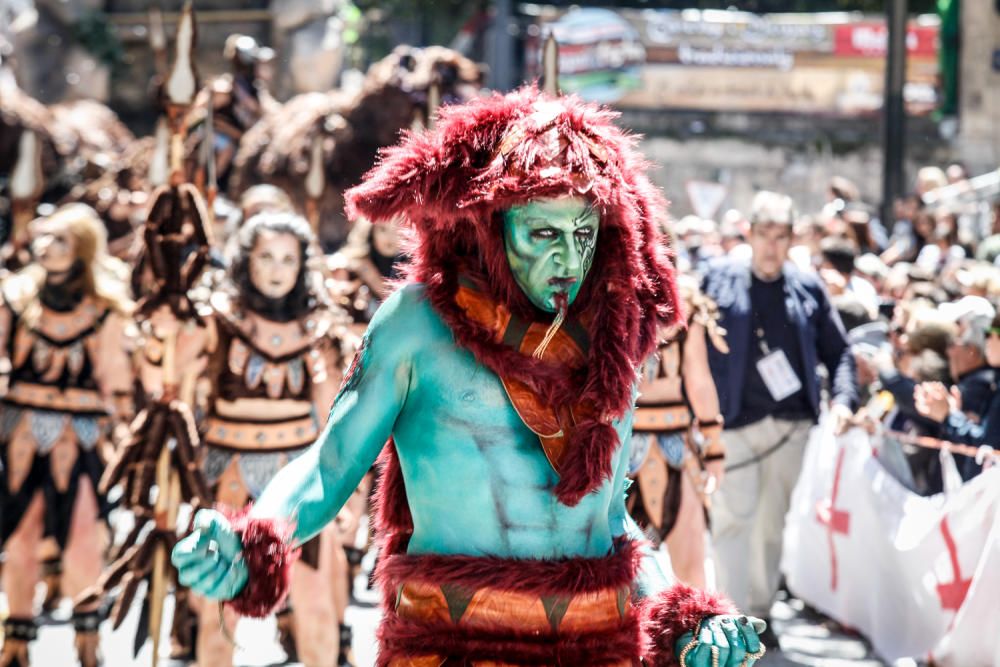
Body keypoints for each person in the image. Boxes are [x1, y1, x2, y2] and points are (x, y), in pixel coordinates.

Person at [172, 88, 766, 666]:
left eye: (582, 234)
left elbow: (608, 520)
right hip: (450, 643)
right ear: (490, 225)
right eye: (543, 234)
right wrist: (257, 536)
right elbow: (329, 466)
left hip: (598, 642)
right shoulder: (418, 325)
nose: (568, 261)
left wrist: (684, 619)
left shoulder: (611, 339)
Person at [147, 212, 356, 667]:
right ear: (247, 260)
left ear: (303, 265)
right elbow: (165, 378)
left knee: (316, 607)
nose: (278, 269)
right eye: (267, 257)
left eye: (288, 259)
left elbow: (334, 417)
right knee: (218, 612)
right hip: (229, 474)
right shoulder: (215, 319)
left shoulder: (320, 328)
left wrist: (347, 493)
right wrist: (165, 332)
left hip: (301, 476)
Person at [701, 190, 858, 646]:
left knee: (772, 524)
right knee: (733, 519)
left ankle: (760, 611)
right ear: (749, 233)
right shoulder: (719, 279)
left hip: (791, 428)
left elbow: (840, 350)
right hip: (733, 423)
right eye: (764, 234)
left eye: (781, 236)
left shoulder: (807, 287)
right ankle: (731, 619)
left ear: (792, 238)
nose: (772, 245)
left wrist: (845, 400)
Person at [0, 204, 133, 667]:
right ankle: (15, 641)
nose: (46, 247)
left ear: (81, 248)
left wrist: (129, 436)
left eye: (60, 239)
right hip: (19, 438)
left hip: (82, 440)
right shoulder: (14, 297)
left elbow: (116, 385)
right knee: (20, 537)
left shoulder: (106, 311)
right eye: (45, 237)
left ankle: (87, 639)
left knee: (82, 538)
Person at [627, 275, 728, 590]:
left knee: (686, 570)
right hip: (627, 446)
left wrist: (713, 447)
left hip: (660, 447)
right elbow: (699, 382)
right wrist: (713, 447)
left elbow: (699, 382)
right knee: (625, 567)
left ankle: (687, 633)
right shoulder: (611, 296)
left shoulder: (684, 306)